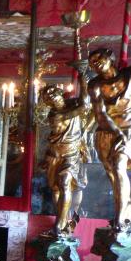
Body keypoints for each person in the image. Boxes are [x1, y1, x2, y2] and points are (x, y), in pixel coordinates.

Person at [88, 48, 131, 228]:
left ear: (110, 56)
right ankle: (125, 210)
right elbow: (100, 115)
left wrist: (125, 134)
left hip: (130, 130)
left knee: (120, 167)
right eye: (92, 62)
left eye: (98, 57)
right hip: (107, 133)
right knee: (113, 176)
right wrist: (118, 133)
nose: (96, 62)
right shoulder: (94, 85)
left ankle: (121, 218)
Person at [38, 84, 91, 235]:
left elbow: (85, 104)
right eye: (47, 96)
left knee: (65, 183)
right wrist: (46, 158)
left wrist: (83, 82)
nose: (50, 96)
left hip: (71, 155)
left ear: (59, 92)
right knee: (55, 189)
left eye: (52, 92)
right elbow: (83, 106)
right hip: (55, 156)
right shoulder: (55, 115)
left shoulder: (71, 106)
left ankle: (59, 224)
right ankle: (63, 219)